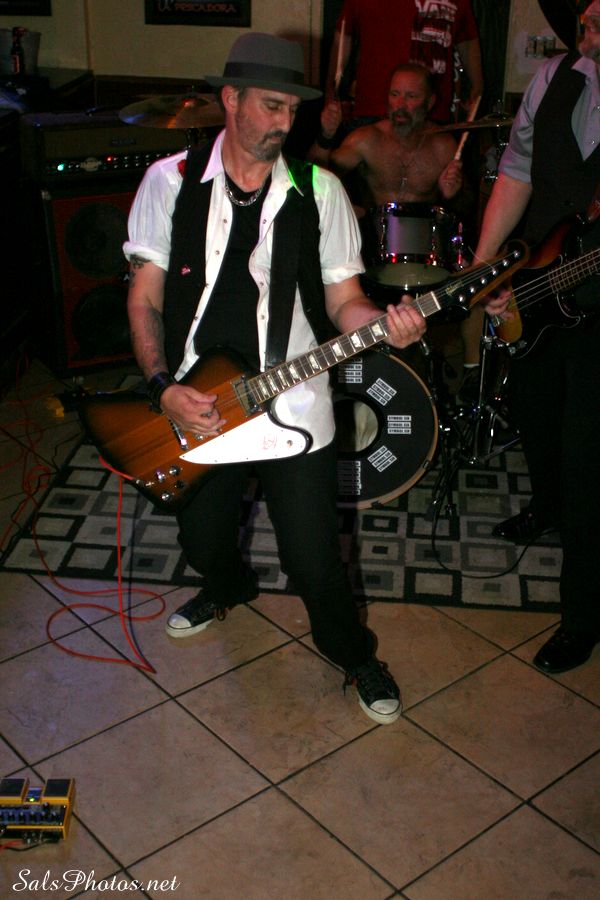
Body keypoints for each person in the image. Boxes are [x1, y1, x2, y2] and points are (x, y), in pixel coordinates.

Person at [123, 32, 428, 725]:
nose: (285, 122)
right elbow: (144, 297)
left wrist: (384, 323)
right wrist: (162, 385)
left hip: (293, 402)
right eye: (270, 105)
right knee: (201, 541)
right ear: (230, 100)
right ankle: (227, 586)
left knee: (315, 561)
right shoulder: (169, 182)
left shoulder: (322, 192)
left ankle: (354, 655)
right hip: (198, 402)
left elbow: (344, 301)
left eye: (293, 108)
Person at [474, 2, 600, 674]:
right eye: (585, 13)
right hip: (543, 284)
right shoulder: (554, 78)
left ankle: (582, 616)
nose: (586, 20)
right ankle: (547, 506)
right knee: (535, 412)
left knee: (588, 462)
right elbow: (517, 173)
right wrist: (484, 268)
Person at [310, 64, 463, 210]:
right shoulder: (367, 140)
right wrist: (326, 135)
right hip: (373, 226)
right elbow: (314, 180)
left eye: (411, 96)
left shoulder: (444, 146)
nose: (400, 105)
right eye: (394, 95)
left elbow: (467, 204)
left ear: (430, 102)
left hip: (425, 227)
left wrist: (452, 196)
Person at [326, 0, 483, 126]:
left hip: (431, 114)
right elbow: (343, 39)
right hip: (374, 110)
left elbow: (467, 39)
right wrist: (331, 92)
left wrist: (478, 86)